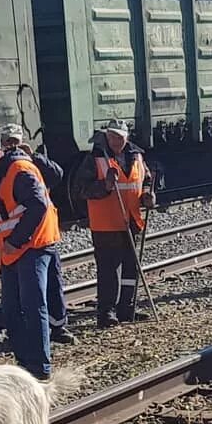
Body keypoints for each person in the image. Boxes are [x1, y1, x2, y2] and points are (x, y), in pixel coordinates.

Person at [0, 134, 61, 381]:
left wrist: (14, 241)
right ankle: (23, 365)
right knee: (11, 309)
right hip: (14, 251)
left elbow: (38, 206)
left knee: (33, 306)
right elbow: (2, 221)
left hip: (34, 247)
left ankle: (40, 369)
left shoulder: (19, 170)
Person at [0, 124, 75, 345]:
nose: (12, 145)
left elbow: (57, 175)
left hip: (45, 235)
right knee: (31, 294)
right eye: (8, 141)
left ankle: (58, 327)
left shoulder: (32, 162)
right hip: (22, 241)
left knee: (53, 284)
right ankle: (33, 333)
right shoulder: (6, 168)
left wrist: (35, 156)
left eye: (15, 141)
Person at [75, 118, 155, 327]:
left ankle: (127, 308)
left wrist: (147, 194)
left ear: (126, 137)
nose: (115, 140)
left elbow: (145, 180)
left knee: (131, 268)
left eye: (119, 137)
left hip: (132, 220)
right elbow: (81, 188)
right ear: (106, 136)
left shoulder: (136, 155)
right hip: (106, 224)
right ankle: (106, 313)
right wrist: (106, 185)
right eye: (111, 136)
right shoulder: (95, 158)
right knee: (109, 271)